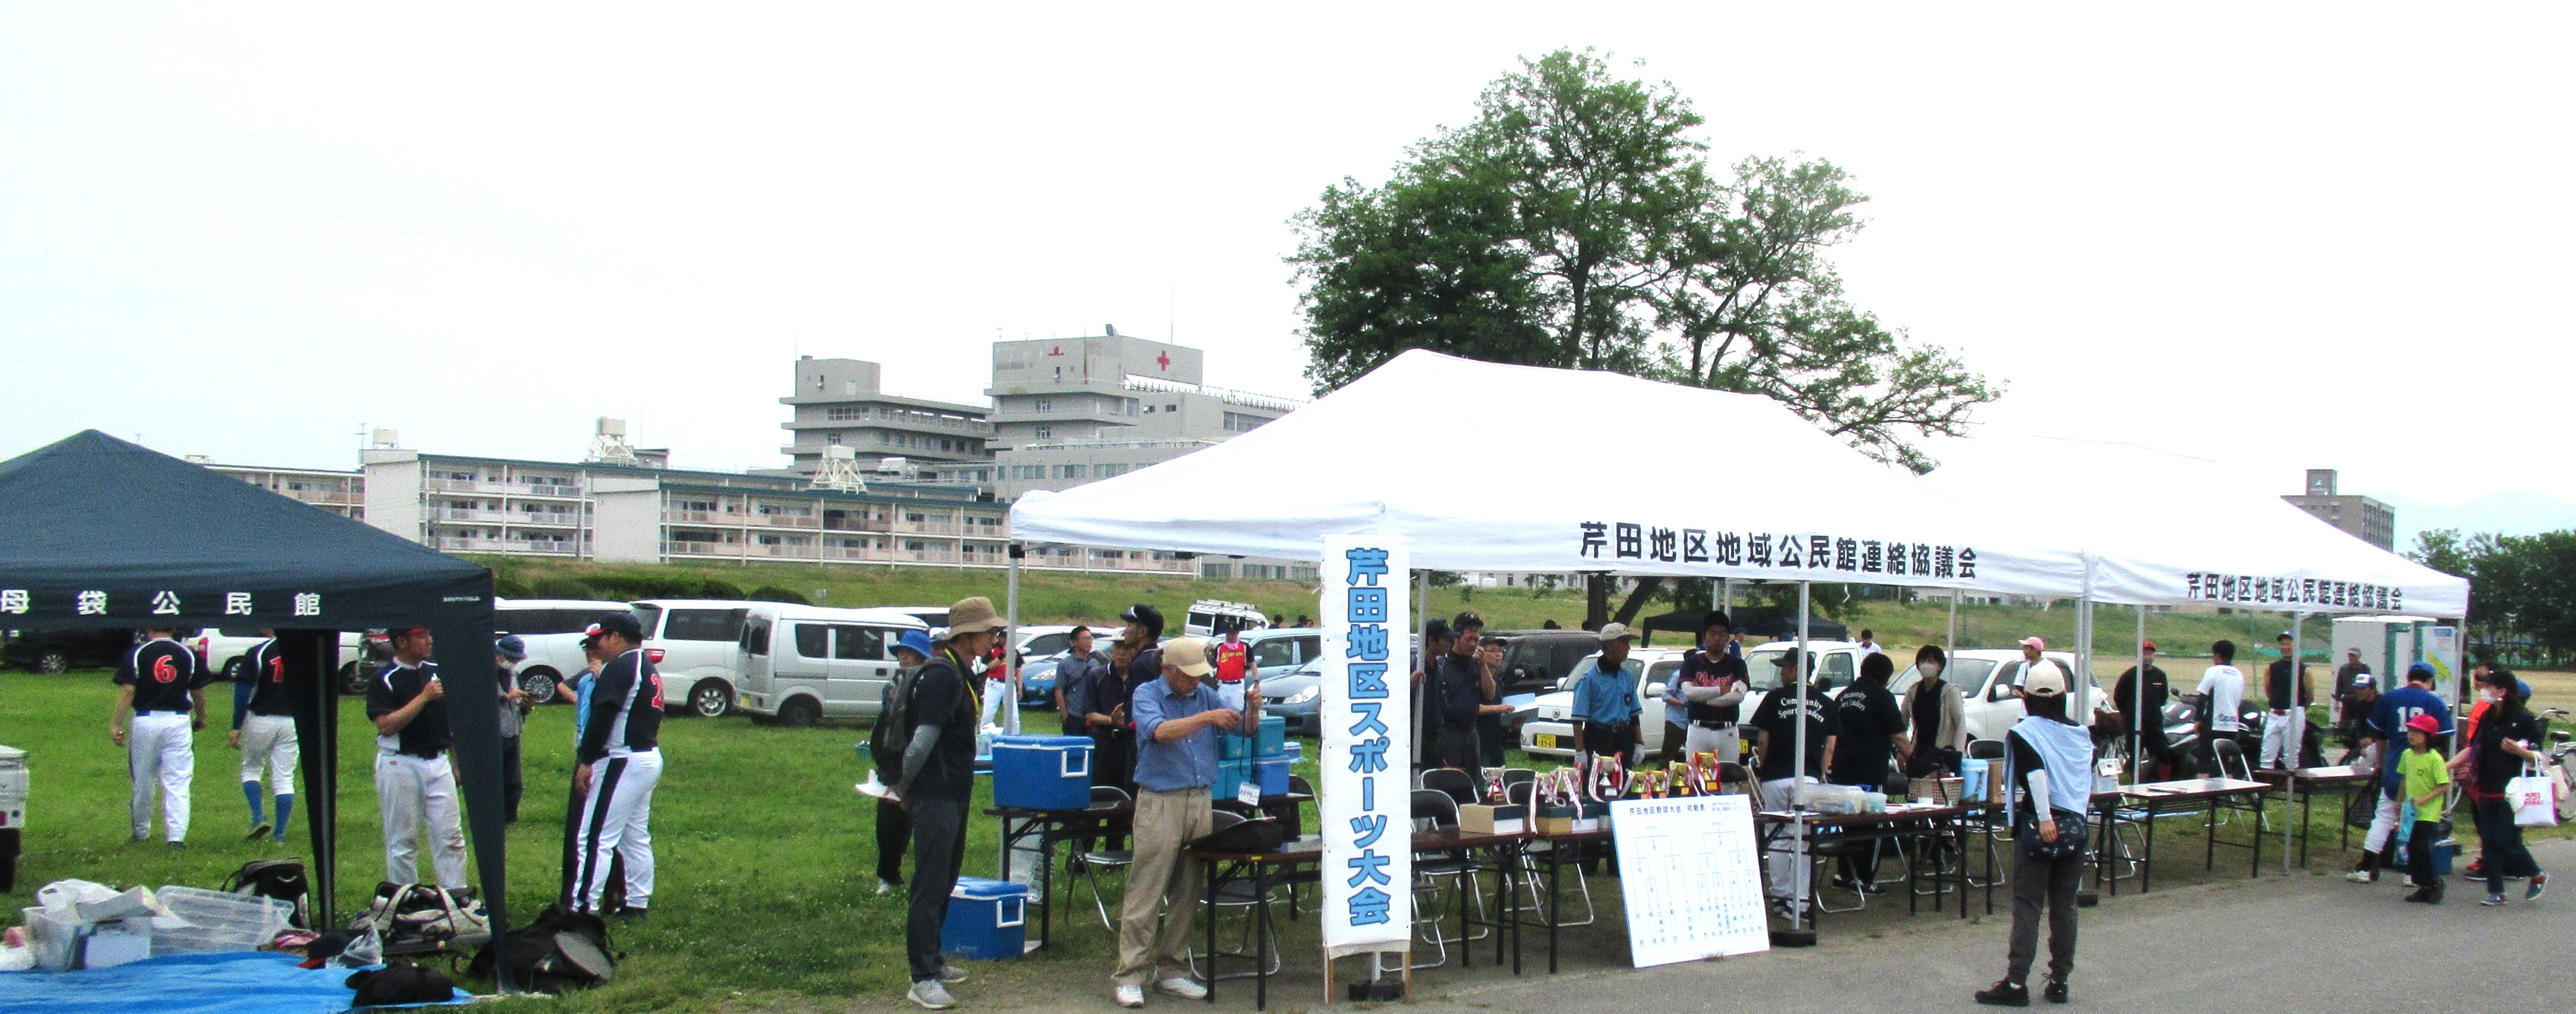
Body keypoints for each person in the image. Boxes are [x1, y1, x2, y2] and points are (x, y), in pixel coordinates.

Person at [1109, 637, 1238, 1008]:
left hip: (1199, 798)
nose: (1197, 681)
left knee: (1189, 886)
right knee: (1148, 887)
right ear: (1169, 671)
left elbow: (1241, 727)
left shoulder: (1206, 695)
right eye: (1190, 675)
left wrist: (1253, 710)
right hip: (1160, 800)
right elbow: (1160, 732)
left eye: (1200, 675)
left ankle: (1172, 970)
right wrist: (1208, 718)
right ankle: (1129, 974)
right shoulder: (1147, 694)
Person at [893, 597, 1004, 1010]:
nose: (994, 639)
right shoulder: (942, 675)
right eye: (989, 632)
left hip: (954, 791)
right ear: (968, 635)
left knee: (945, 879)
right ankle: (921, 977)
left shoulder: (962, 671)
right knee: (930, 883)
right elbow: (923, 740)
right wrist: (900, 788)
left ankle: (934, 961)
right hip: (934, 792)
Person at [1977, 661, 2093, 1007]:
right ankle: (2059, 980)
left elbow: (2036, 775)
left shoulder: (2027, 733)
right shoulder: (2080, 734)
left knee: (2028, 905)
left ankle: (2016, 983)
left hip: (2041, 827)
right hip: (2076, 825)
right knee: (2064, 906)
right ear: (2062, 696)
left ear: (2027, 698)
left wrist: (2044, 819)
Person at [571, 613, 663, 921]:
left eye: (601, 638)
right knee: (634, 836)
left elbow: (604, 715)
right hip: (645, 755)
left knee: (594, 838)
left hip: (622, 757)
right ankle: (636, 903)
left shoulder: (622, 665)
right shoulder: (643, 664)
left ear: (616, 637)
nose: (596, 646)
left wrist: (587, 759)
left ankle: (582, 909)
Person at [368, 625, 466, 888]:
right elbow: (386, 726)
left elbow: (450, 720)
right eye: (421, 637)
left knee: (451, 836)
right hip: (400, 761)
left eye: (429, 635)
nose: (429, 641)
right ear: (402, 642)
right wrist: (423, 698)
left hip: (437, 760)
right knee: (403, 840)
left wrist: (457, 763)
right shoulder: (385, 678)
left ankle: (455, 895)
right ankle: (406, 896)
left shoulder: (436, 672)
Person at [1748, 651, 1838, 915]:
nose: (1782, 673)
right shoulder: (1825, 702)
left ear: (1795, 669)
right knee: (1803, 839)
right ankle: (1800, 900)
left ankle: (1780, 895)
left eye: (1784, 668)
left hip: (1776, 775)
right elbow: (1831, 746)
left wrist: (1764, 768)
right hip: (1808, 776)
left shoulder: (1774, 698)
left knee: (1776, 835)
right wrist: (1820, 773)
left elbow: (1763, 741)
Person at [2347, 661, 2451, 884]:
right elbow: (2443, 738)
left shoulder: (2389, 698)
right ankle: (2412, 873)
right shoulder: (2434, 702)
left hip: (2396, 764)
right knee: (2417, 824)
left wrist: (2382, 764)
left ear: (2408, 677)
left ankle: (2365, 868)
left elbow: (2380, 737)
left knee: (2383, 818)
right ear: (2430, 681)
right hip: (2424, 769)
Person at [112, 625, 210, 849]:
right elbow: (197, 691)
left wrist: (116, 723)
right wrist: (201, 716)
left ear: (148, 629)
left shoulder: (138, 653)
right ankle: (176, 837)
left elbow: (129, 690)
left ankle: (141, 831)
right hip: (178, 720)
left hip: (146, 719)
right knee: (178, 780)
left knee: (143, 779)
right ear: (174, 629)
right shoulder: (187, 654)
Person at [2463, 667, 2546, 906]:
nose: (2484, 690)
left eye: (2489, 687)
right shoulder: (2488, 716)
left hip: (2513, 789)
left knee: (2506, 840)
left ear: (2503, 691)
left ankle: (2536, 874)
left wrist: (2520, 751)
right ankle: (2496, 891)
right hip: (2487, 785)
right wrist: (2457, 767)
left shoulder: (2523, 718)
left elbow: (2539, 756)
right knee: (2489, 841)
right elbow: (2475, 747)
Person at [1831, 651, 1908, 891]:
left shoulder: (1843, 696)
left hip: (1842, 769)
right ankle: (1865, 878)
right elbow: (1898, 735)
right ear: (1885, 676)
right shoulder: (1882, 696)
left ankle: (1844, 873)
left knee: (1848, 821)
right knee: (1873, 822)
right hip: (1870, 769)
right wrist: (1912, 757)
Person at [558, 636, 619, 909]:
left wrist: (601, 680)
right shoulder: (585, 681)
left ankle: (613, 893)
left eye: (595, 647)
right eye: (588, 649)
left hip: (609, 755)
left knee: (607, 828)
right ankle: (571, 892)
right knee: (578, 826)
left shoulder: (617, 678)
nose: (591, 654)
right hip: (587, 751)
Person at [871, 630, 935, 896]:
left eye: (910, 653)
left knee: (923, 823)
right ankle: (889, 875)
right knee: (888, 823)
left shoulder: (928, 685)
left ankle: (927, 879)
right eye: (901, 653)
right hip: (892, 761)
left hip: (919, 760)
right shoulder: (893, 685)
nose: (904, 658)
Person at [229, 630, 296, 843]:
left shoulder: (259, 652)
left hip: (261, 719)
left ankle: (258, 816)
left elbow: (243, 692)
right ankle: (280, 833)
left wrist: (236, 726)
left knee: (251, 768)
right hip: (293, 721)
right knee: (284, 777)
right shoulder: (304, 653)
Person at [1436, 612, 1511, 786]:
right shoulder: (1443, 664)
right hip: (1449, 733)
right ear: (1456, 638)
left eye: (1476, 640)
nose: (1473, 644)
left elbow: (1490, 694)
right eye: (1469, 639)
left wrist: (1483, 665)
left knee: (1475, 784)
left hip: (1471, 732)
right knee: (1452, 782)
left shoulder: (1476, 664)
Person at [1677, 611, 1750, 764]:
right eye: (1713, 634)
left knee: (1728, 775)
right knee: (1696, 775)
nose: (1717, 638)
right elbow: (1689, 692)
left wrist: (1704, 698)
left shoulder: (1737, 664)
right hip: (1699, 729)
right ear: (1704, 638)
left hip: (1728, 730)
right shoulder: (1692, 663)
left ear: (1728, 638)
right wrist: (1719, 690)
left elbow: (1738, 696)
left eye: (1722, 634)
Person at [2395, 713, 2450, 904]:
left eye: (2418, 732)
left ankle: (2434, 882)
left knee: (2421, 847)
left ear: (2428, 736)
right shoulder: (2407, 755)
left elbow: (2444, 785)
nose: (2412, 735)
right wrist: (2399, 802)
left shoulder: (2434, 759)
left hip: (2428, 812)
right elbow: (2404, 779)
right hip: (2411, 811)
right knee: (2411, 847)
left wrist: (2424, 799)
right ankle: (2423, 885)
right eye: (2410, 731)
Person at [1569, 623, 1641, 763]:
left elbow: (1634, 715)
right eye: (1624, 643)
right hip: (1598, 738)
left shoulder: (1627, 677)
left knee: (1624, 776)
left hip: (1623, 738)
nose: (1628, 648)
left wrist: (1639, 743)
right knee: (1599, 777)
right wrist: (1580, 751)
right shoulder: (1590, 679)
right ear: (1610, 645)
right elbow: (1577, 720)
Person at [2110, 642, 2175, 779]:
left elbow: (2163, 697)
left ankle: (2163, 783)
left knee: (2163, 754)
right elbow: (2119, 697)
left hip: (2154, 724)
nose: (2148, 657)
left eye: (2150, 654)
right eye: (2145, 654)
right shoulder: (2129, 676)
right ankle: (2135, 783)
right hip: (2135, 724)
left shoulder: (2160, 676)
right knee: (2135, 756)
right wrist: (2128, 714)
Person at [1902, 645, 1965, 778]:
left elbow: (1960, 723)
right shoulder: (1913, 691)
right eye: (1922, 661)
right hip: (1919, 754)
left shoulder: (1950, 691)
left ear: (1940, 666)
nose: (1926, 665)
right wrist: (1902, 750)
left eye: (1931, 661)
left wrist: (1956, 754)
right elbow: (1902, 721)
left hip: (1942, 755)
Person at [493, 636, 533, 823]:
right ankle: (492, 816)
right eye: (512, 658)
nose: (514, 662)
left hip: (513, 732)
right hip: (493, 736)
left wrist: (527, 705)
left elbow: (520, 708)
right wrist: (506, 697)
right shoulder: (483, 675)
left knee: (513, 780)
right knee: (494, 779)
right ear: (499, 654)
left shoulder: (515, 675)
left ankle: (510, 816)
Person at [2260, 632, 2314, 770]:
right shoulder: (2272, 668)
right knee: (2267, 753)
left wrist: (2302, 709)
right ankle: (2266, 780)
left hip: (2294, 713)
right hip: (2275, 713)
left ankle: (2290, 781)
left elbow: (2310, 695)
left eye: (2289, 644)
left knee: (2291, 755)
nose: (2285, 647)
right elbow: (2268, 690)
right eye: (2283, 644)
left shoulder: (2304, 669)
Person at [2191, 640, 2246, 768]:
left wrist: (2198, 720)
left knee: (2204, 761)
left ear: (2217, 655)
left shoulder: (2213, 671)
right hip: (2232, 726)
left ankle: (2203, 781)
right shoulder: (2239, 675)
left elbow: (2203, 698)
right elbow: (2238, 701)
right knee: (2226, 765)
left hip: (2213, 724)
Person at [1413, 619, 1452, 771]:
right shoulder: (1415, 668)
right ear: (1431, 641)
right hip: (1418, 739)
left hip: (1436, 739)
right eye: (1445, 639)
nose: (1449, 644)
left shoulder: (1439, 670)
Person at [1056, 625, 1101, 737]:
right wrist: (1065, 715)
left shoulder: (1096, 663)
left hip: (1093, 716)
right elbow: (1059, 690)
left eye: (1090, 638)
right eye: (1085, 639)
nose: (1089, 642)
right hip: (1074, 715)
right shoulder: (1065, 664)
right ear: (1074, 642)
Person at [1211, 623, 1253, 711]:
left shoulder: (1244, 647)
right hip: (1222, 685)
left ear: (1238, 634)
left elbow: (1252, 664)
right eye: (1229, 634)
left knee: (1237, 711)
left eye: (1233, 634)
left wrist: (1257, 681)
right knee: (1221, 711)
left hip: (1237, 685)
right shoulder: (1220, 648)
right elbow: (1214, 665)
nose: (1231, 637)